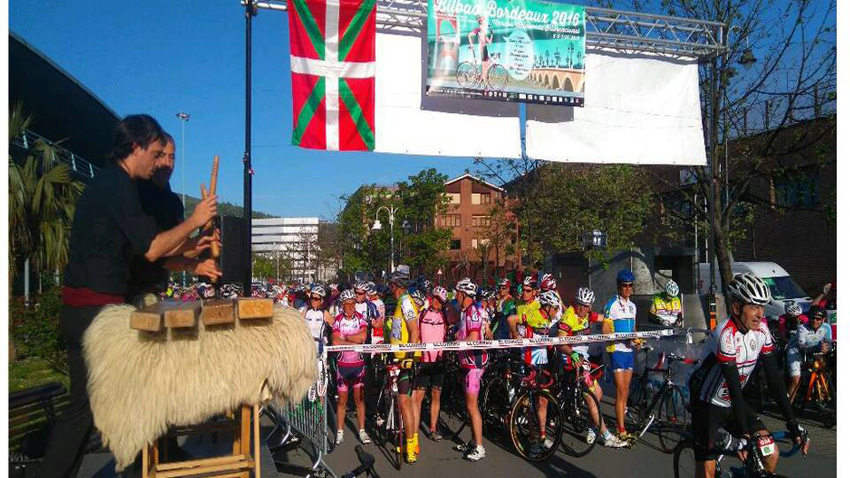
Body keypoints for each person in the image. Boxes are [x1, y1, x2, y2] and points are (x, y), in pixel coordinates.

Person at [39, 115, 218, 478]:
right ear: (135, 147)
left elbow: (144, 252)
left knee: (86, 407)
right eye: (155, 153)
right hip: (95, 313)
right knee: (115, 398)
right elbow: (151, 249)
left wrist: (191, 262)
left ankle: (149, 460)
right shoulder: (119, 186)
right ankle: (141, 463)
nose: (159, 162)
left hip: (87, 309)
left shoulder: (113, 183)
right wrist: (196, 221)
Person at [688, 273, 808, 478]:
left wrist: (793, 424)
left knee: (770, 453)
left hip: (734, 404)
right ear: (736, 307)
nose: (760, 314)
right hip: (707, 405)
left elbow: (775, 381)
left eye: (762, 306)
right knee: (707, 471)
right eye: (753, 307)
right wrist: (744, 434)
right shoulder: (724, 334)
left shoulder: (762, 331)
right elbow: (734, 386)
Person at [126, 132, 221, 303]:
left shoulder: (173, 202)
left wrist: (201, 240)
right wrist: (195, 221)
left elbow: (179, 252)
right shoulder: (136, 194)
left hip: (155, 292)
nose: (168, 164)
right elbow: (152, 252)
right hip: (128, 292)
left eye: (172, 157)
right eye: (162, 155)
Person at [557, 287, 627, 448]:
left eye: (588, 306)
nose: (585, 309)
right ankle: (606, 436)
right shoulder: (569, 317)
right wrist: (571, 353)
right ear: (577, 303)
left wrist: (617, 318)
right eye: (582, 305)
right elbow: (560, 342)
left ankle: (591, 428)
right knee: (591, 397)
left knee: (599, 393)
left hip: (584, 359)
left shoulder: (588, 313)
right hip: (572, 360)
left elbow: (603, 318)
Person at [386, 271, 421, 463]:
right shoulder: (401, 303)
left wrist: (408, 356)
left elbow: (414, 329)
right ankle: (413, 441)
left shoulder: (406, 301)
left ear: (396, 285)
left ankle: (409, 446)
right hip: (402, 357)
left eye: (391, 286)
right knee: (411, 402)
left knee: (404, 402)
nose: (390, 290)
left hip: (407, 359)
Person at [451, 278, 489, 461]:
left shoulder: (473, 311)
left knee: (472, 406)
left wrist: (456, 343)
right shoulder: (466, 312)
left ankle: (479, 447)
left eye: (457, 293)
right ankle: (474, 441)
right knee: (469, 406)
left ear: (464, 295)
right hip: (467, 362)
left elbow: (474, 336)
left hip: (474, 363)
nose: (455, 296)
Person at [602, 269, 638, 441]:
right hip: (616, 350)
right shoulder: (612, 305)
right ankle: (621, 428)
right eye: (624, 286)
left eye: (630, 286)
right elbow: (605, 329)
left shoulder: (633, 306)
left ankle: (620, 422)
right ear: (618, 286)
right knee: (621, 389)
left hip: (629, 351)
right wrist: (621, 337)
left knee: (626, 391)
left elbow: (634, 329)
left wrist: (636, 339)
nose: (627, 289)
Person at [332, 289, 371, 445]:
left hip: (358, 365)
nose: (350, 307)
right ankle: (340, 431)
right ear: (342, 305)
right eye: (347, 304)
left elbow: (363, 337)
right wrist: (353, 341)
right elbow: (335, 341)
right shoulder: (338, 320)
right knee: (342, 401)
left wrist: (346, 337)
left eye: (352, 304)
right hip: (343, 366)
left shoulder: (361, 318)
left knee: (359, 399)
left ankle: (362, 431)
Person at [413, 286, 449, 442]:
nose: (436, 302)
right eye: (435, 298)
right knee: (418, 396)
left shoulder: (445, 316)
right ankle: (413, 430)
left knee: (436, 395)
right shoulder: (422, 314)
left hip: (439, 361)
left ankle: (433, 428)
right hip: (424, 361)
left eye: (440, 301)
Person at [788, 308, 833, 402]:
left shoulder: (827, 327)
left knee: (824, 368)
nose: (814, 321)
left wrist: (827, 348)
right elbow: (802, 347)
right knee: (796, 380)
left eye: (818, 319)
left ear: (823, 319)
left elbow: (829, 343)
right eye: (812, 318)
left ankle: (821, 393)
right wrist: (818, 347)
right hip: (796, 352)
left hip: (815, 350)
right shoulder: (802, 328)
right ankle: (788, 407)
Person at [468, 15, 494, 88]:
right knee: (484, 67)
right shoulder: (478, 29)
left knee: (488, 64)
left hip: (485, 48)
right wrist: (471, 45)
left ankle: (481, 80)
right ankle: (484, 84)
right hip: (482, 49)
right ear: (480, 22)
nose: (484, 22)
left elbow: (490, 42)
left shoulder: (484, 32)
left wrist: (492, 34)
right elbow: (469, 35)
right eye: (483, 20)